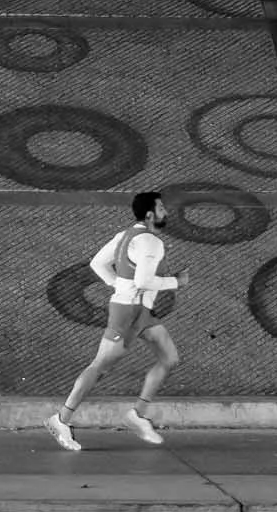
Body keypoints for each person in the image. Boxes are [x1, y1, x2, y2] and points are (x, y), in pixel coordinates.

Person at [46, 189, 182, 450]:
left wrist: (118, 286)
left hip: (140, 311)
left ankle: (138, 415)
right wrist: (177, 281)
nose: (166, 212)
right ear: (151, 214)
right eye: (162, 208)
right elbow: (142, 281)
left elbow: (98, 263)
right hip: (128, 314)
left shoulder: (125, 236)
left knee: (169, 358)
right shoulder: (151, 242)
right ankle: (61, 419)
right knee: (99, 368)